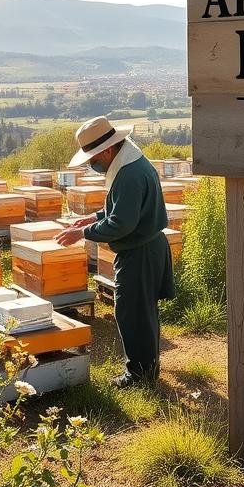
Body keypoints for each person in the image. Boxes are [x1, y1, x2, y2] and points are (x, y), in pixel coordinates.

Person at [56, 116, 174, 387]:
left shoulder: (129, 173)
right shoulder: (130, 164)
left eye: (93, 158)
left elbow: (122, 223)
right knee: (141, 312)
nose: (92, 164)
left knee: (133, 315)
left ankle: (139, 376)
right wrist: (93, 218)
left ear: (107, 150)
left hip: (139, 252)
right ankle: (147, 369)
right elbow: (123, 209)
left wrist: (82, 233)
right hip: (144, 248)